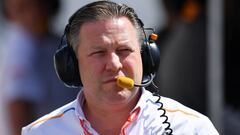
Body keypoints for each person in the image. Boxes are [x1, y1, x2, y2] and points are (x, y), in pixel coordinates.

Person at [22, 1, 219, 135]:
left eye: (124, 50)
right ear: (71, 66)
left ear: (146, 57)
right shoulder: (41, 132)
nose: (115, 64)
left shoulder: (191, 128)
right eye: (98, 53)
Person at [0, 0, 79, 135]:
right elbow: (19, 105)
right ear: (9, 13)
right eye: (22, 9)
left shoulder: (62, 43)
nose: (33, 13)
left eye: (38, 4)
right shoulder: (22, 47)